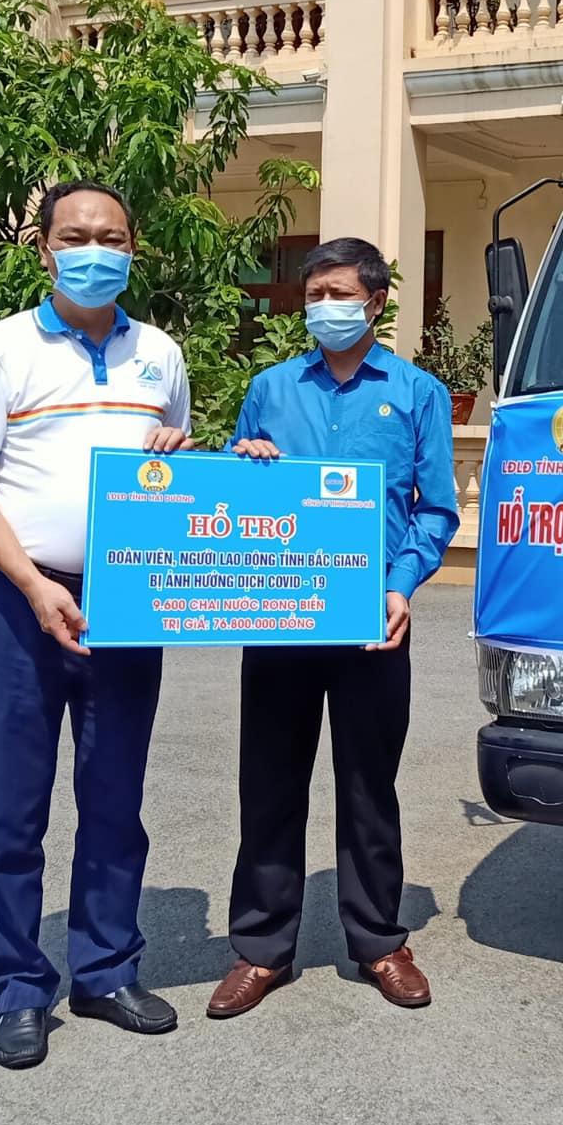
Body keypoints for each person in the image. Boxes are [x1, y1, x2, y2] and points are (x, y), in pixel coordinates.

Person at [0, 180, 193, 1070]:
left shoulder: (159, 354)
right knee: (14, 810)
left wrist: (178, 453)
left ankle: (106, 971)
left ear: (133, 249)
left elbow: (168, 471)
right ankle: (18, 989)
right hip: (18, 607)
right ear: (44, 249)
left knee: (116, 800)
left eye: (112, 237)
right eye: (76, 236)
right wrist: (33, 584)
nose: (95, 251)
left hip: (128, 599)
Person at [206, 236, 459, 1018]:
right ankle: (261, 949)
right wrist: (241, 458)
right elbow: (231, 491)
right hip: (279, 615)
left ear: (375, 302)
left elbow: (436, 510)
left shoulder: (417, 394)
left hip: (371, 622)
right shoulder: (271, 388)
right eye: (314, 296)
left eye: (340, 295)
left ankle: (380, 942)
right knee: (269, 785)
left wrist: (400, 585)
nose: (325, 308)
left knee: (368, 787)